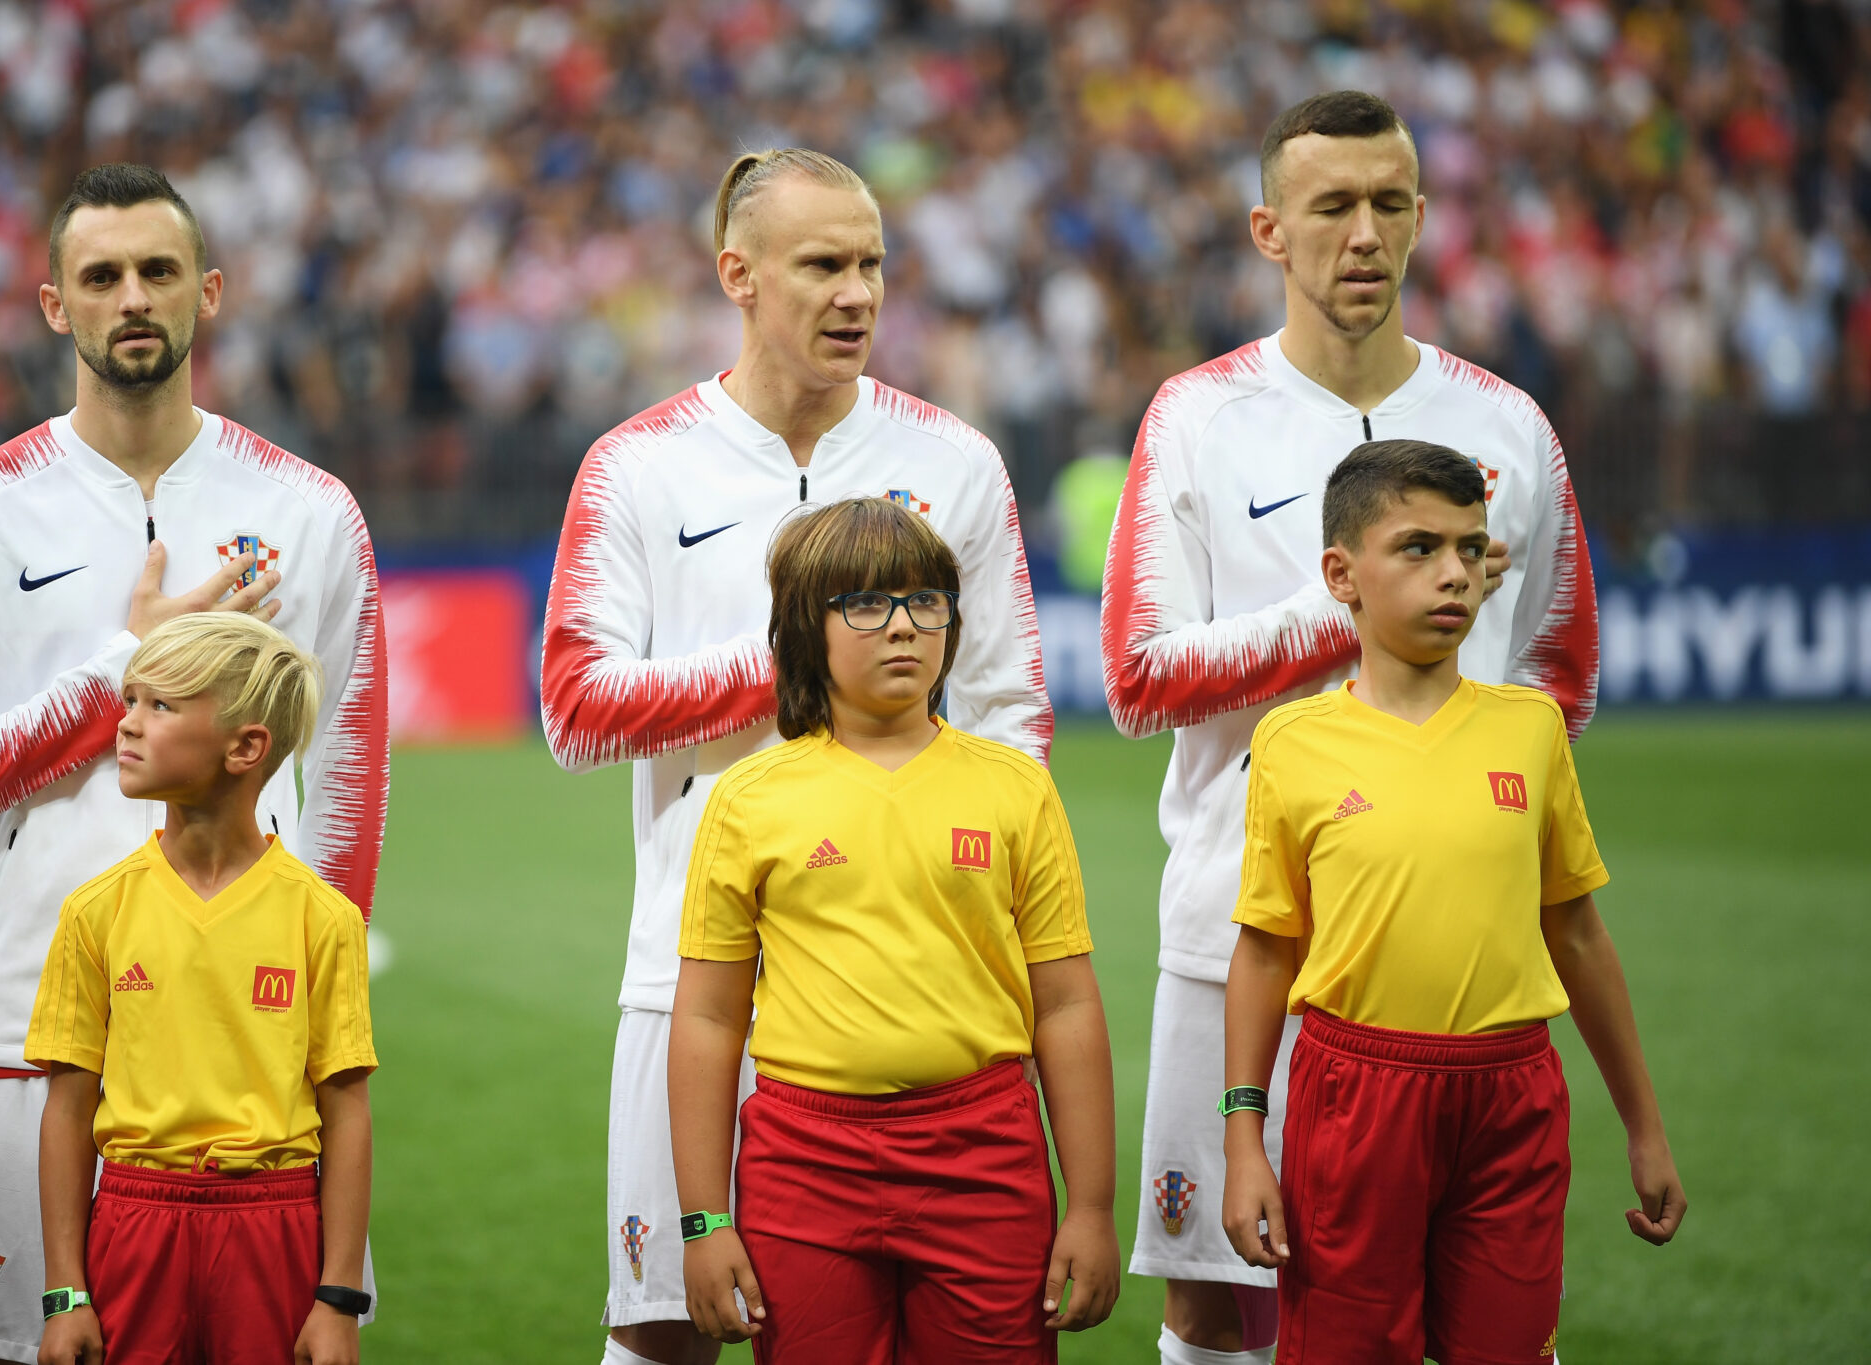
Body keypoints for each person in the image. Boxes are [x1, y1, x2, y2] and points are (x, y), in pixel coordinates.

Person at [1098, 91, 1598, 1365]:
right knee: (1216, 1301)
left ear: (1421, 217)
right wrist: (1352, 615)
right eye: (1330, 206)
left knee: (1476, 1305)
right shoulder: (1196, 416)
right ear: (1269, 230)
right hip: (1235, 937)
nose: (1362, 233)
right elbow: (1139, 678)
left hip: (1454, 965)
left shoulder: (1508, 427)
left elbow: (1557, 679)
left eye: (1387, 203)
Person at [541, 148, 1052, 1365]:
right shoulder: (638, 463)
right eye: (822, 264)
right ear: (739, 275)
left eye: (871, 264)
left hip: (911, 979)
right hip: (693, 972)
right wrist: (798, 664)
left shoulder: (955, 463)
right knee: (662, 1331)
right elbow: (575, 708)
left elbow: (1011, 714)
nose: (855, 293)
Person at [0, 163, 387, 1365]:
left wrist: (313, 1009)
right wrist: (128, 664)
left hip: (244, 1047)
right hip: (29, 1019)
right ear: (54, 303)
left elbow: (346, 785)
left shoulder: (312, 511)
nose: (132, 298)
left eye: (158, 271)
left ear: (207, 291)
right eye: (101, 275)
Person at [1220, 440, 1685, 1361]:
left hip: (1512, 1094)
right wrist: (1244, 1141)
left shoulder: (1531, 727)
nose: (1455, 574)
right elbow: (1267, 949)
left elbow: (1578, 935)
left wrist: (1645, 1127)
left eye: (1471, 548)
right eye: (1419, 547)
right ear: (1341, 576)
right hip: (1356, 1093)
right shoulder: (1292, 742)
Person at [669, 497, 1117, 1363]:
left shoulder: (1015, 787)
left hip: (984, 1155)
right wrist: (704, 1220)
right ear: (809, 625)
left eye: (925, 600)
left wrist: (1092, 1206)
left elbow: (1065, 1004)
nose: (904, 624)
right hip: (804, 1162)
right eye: (869, 603)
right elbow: (708, 1017)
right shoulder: (748, 799)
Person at [26, 612, 376, 1365]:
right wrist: (65, 1294)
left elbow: (347, 1111)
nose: (128, 722)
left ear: (245, 747)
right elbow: (68, 1107)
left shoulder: (323, 917)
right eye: (129, 699)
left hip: (274, 1224)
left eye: (161, 705)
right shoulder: (95, 911)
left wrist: (339, 1298)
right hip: (133, 1220)